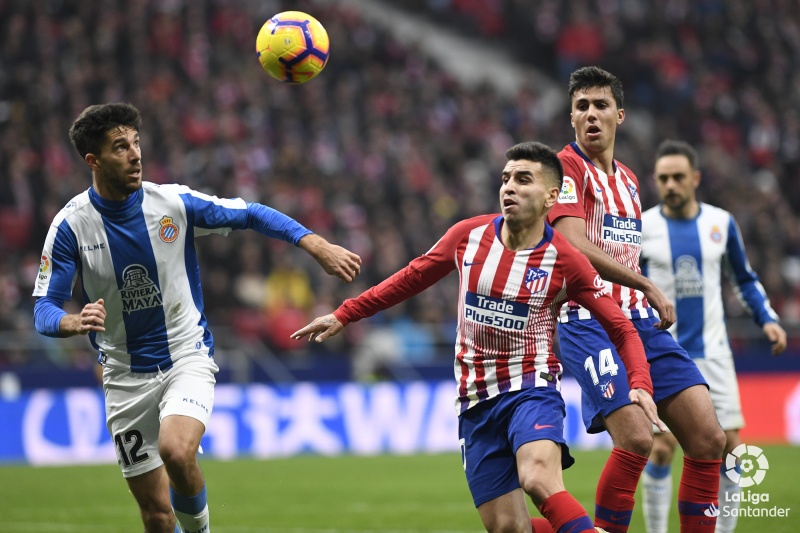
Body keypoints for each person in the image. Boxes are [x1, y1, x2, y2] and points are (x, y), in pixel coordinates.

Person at [291, 141, 666, 533]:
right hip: (475, 400)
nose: (509, 188)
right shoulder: (467, 236)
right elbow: (411, 278)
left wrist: (638, 383)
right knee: (508, 528)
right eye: (505, 179)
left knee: (538, 478)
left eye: (524, 180)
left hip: (531, 388)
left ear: (552, 197)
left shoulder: (566, 260)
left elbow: (620, 326)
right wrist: (344, 313)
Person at [31, 103, 362, 533]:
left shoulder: (173, 203)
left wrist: (314, 243)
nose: (135, 155)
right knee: (155, 514)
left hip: (186, 355)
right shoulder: (70, 227)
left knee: (176, 449)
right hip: (123, 377)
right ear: (92, 161)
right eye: (119, 147)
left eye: (136, 143)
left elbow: (251, 213)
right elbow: (43, 309)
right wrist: (72, 322)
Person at [546, 66, 727, 533]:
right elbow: (572, 243)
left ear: (619, 115)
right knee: (636, 438)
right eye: (582, 106)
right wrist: (647, 283)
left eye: (601, 105)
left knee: (709, 438)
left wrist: (640, 289)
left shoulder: (627, 179)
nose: (591, 114)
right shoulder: (566, 168)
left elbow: (620, 252)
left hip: (640, 323)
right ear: (571, 118)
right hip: (587, 320)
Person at [639, 139, 787, 533]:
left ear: (695, 179)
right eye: (663, 178)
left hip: (714, 352)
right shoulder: (643, 227)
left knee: (732, 447)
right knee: (662, 447)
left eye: (678, 177)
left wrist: (766, 318)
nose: (670, 185)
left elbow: (744, 278)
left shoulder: (721, 224)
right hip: (664, 353)